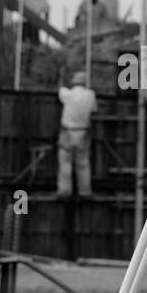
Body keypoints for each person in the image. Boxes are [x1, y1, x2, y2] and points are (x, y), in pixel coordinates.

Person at [56, 70, 96, 198]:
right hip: (82, 133)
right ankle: (85, 192)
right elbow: (94, 109)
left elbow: (60, 89)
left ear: (74, 82)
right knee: (83, 163)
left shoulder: (68, 94)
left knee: (65, 162)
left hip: (67, 132)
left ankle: (65, 191)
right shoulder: (90, 95)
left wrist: (61, 77)